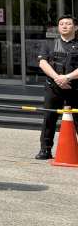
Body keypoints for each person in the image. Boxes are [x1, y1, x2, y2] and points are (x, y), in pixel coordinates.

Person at [35, 15, 78, 160]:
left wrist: (67, 77)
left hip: (75, 88)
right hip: (53, 88)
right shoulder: (49, 44)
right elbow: (43, 63)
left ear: (75, 27)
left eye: (68, 24)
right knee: (49, 119)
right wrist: (57, 78)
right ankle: (45, 150)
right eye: (61, 24)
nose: (64, 26)